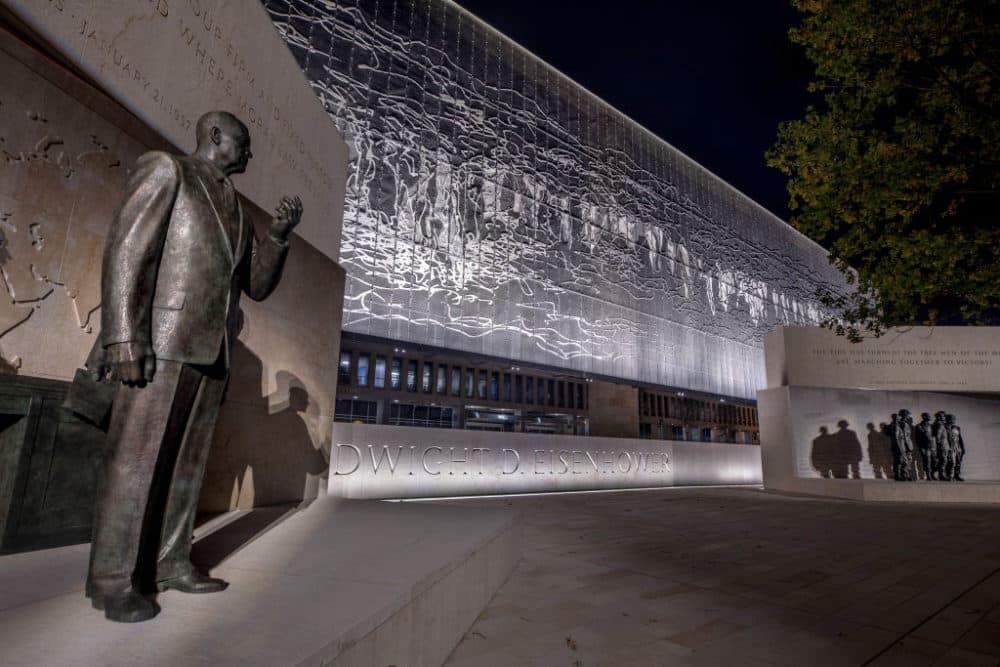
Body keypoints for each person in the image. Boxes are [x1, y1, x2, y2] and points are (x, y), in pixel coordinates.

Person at [84, 111, 302, 623]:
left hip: (209, 355)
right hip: (159, 346)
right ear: (216, 137)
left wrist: (278, 236)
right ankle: (115, 579)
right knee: (136, 464)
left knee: (186, 465)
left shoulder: (237, 208)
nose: (249, 154)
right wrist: (123, 335)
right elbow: (126, 251)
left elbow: (257, 285)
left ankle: (170, 562)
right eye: (243, 144)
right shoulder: (167, 171)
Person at [914, 412, 936, 480]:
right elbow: (917, 439)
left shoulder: (931, 426)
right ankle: (928, 475)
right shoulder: (919, 426)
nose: (930, 417)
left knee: (934, 461)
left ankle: (932, 474)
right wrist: (921, 448)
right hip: (924, 447)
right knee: (927, 462)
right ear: (924, 417)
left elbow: (934, 436)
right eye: (928, 416)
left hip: (932, 447)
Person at [946, 414, 966, 482]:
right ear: (948, 419)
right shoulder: (945, 427)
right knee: (951, 462)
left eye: (954, 419)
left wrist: (963, 448)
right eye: (952, 419)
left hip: (957, 447)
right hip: (950, 447)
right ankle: (950, 475)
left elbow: (960, 438)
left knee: (958, 461)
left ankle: (957, 475)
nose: (954, 420)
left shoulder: (957, 427)